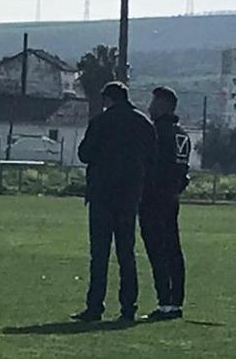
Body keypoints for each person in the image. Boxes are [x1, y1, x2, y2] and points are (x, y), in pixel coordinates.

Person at [72, 81, 156, 324]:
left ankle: (95, 306)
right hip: (129, 195)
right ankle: (128, 307)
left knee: (99, 254)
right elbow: (153, 159)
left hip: (102, 194)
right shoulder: (143, 123)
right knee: (126, 252)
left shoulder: (101, 122)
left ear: (108, 99)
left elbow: (84, 154)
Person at [140, 87, 192, 322]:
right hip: (172, 197)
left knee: (157, 249)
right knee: (173, 249)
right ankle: (175, 300)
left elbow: (150, 165)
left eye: (153, 103)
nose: (150, 108)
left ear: (163, 106)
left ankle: (164, 302)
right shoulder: (182, 134)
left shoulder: (157, 133)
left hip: (153, 198)